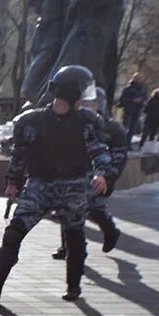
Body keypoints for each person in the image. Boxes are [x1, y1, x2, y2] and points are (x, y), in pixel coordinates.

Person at [0, 65, 117, 304]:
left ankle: (73, 286)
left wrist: (103, 174)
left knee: (74, 236)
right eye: (81, 93)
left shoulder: (86, 122)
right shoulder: (32, 121)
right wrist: (13, 182)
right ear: (74, 93)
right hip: (39, 186)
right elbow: (19, 155)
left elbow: (99, 151)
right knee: (13, 233)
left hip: (73, 186)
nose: (83, 99)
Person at [53, 87, 124, 259]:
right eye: (84, 103)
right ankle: (67, 246)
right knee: (67, 209)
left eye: (91, 103)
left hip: (99, 178)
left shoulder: (112, 128)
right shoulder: (74, 122)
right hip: (76, 175)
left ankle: (110, 231)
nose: (86, 106)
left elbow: (118, 156)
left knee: (94, 210)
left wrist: (108, 177)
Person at [118, 73, 147, 145]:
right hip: (128, 110)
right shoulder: (128, 88)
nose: (138, 80)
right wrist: (132, 100)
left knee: (132, 129)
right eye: (136, 78)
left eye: (140, 78)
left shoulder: (142, 89)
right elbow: (122, 99)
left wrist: (141, 100)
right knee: (125, 127)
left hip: (137, 110)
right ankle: (122, 142)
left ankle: (128, 143)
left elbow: (145, 98)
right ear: (133, 78)